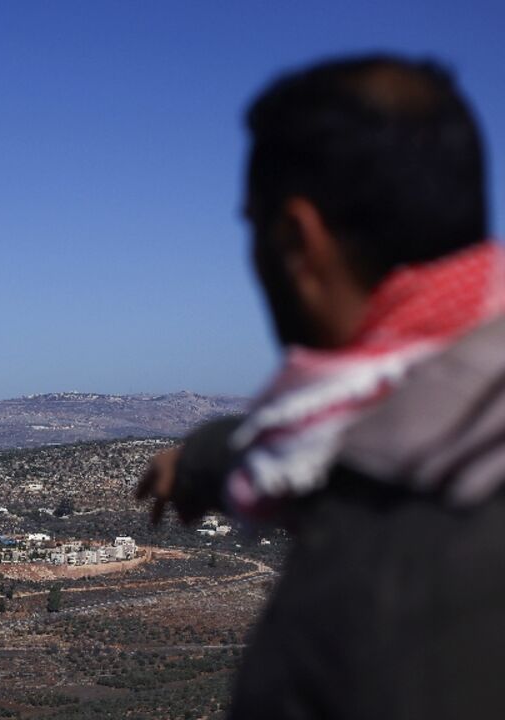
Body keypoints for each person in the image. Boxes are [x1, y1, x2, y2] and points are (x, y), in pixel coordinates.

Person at [135, 54, 505, 719]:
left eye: (254, 227)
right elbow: (339, 446)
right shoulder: (445, 408)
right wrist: (197, 462)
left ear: (297, 241)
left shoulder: (395, 602)